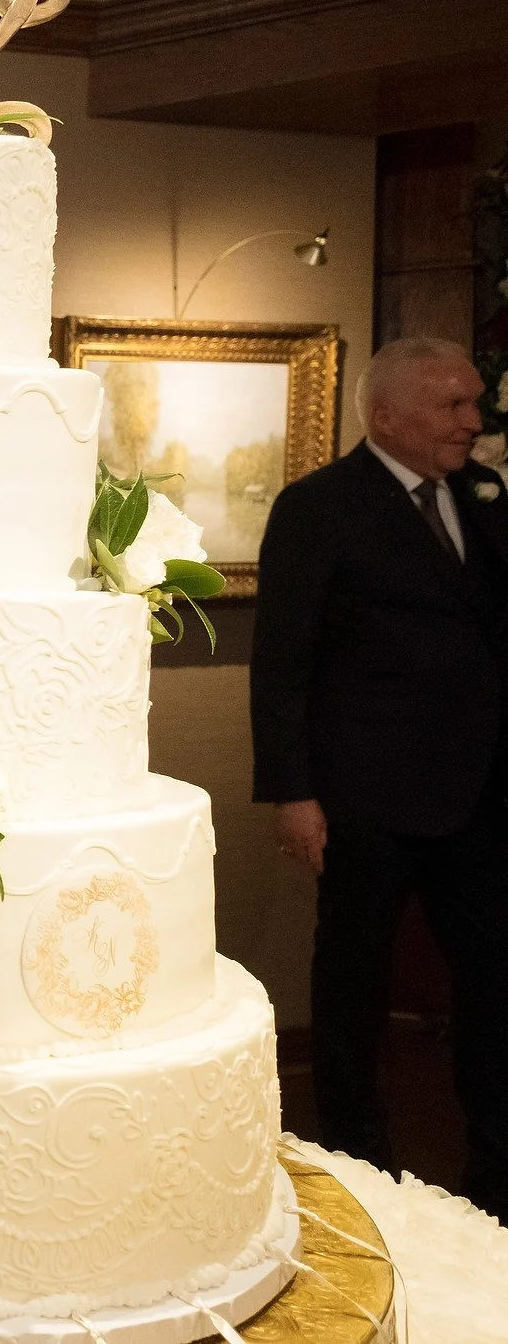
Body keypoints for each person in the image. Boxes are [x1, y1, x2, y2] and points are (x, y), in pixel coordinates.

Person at [251, 335, 508, 1218]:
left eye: (475, 404)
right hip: (363, 796)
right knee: (353, 984)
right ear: (388, 414)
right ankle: (357, 1164)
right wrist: (294, 791)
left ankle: (496, 1168)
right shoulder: (318, 507)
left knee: (495, 977)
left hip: (478, 795)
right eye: (455, 406)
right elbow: (281, 662)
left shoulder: (480, 500)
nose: (474, 423)